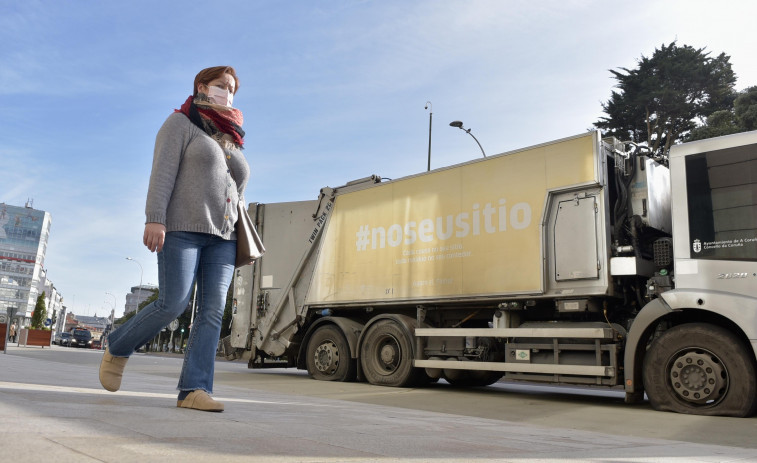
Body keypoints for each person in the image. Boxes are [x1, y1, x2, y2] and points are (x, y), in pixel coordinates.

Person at [99, 66, 249, 412]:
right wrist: (156, 218)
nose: (228, 93)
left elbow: (236, 190)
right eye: (222, 86)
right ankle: (118, 346)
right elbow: (162, 173)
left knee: (213, 312)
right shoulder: (180, 124)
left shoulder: (232, 136)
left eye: (233, 89)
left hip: (223, 237)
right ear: (202, 87)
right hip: (182, 228)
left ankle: (194, 389)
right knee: (173, 303)